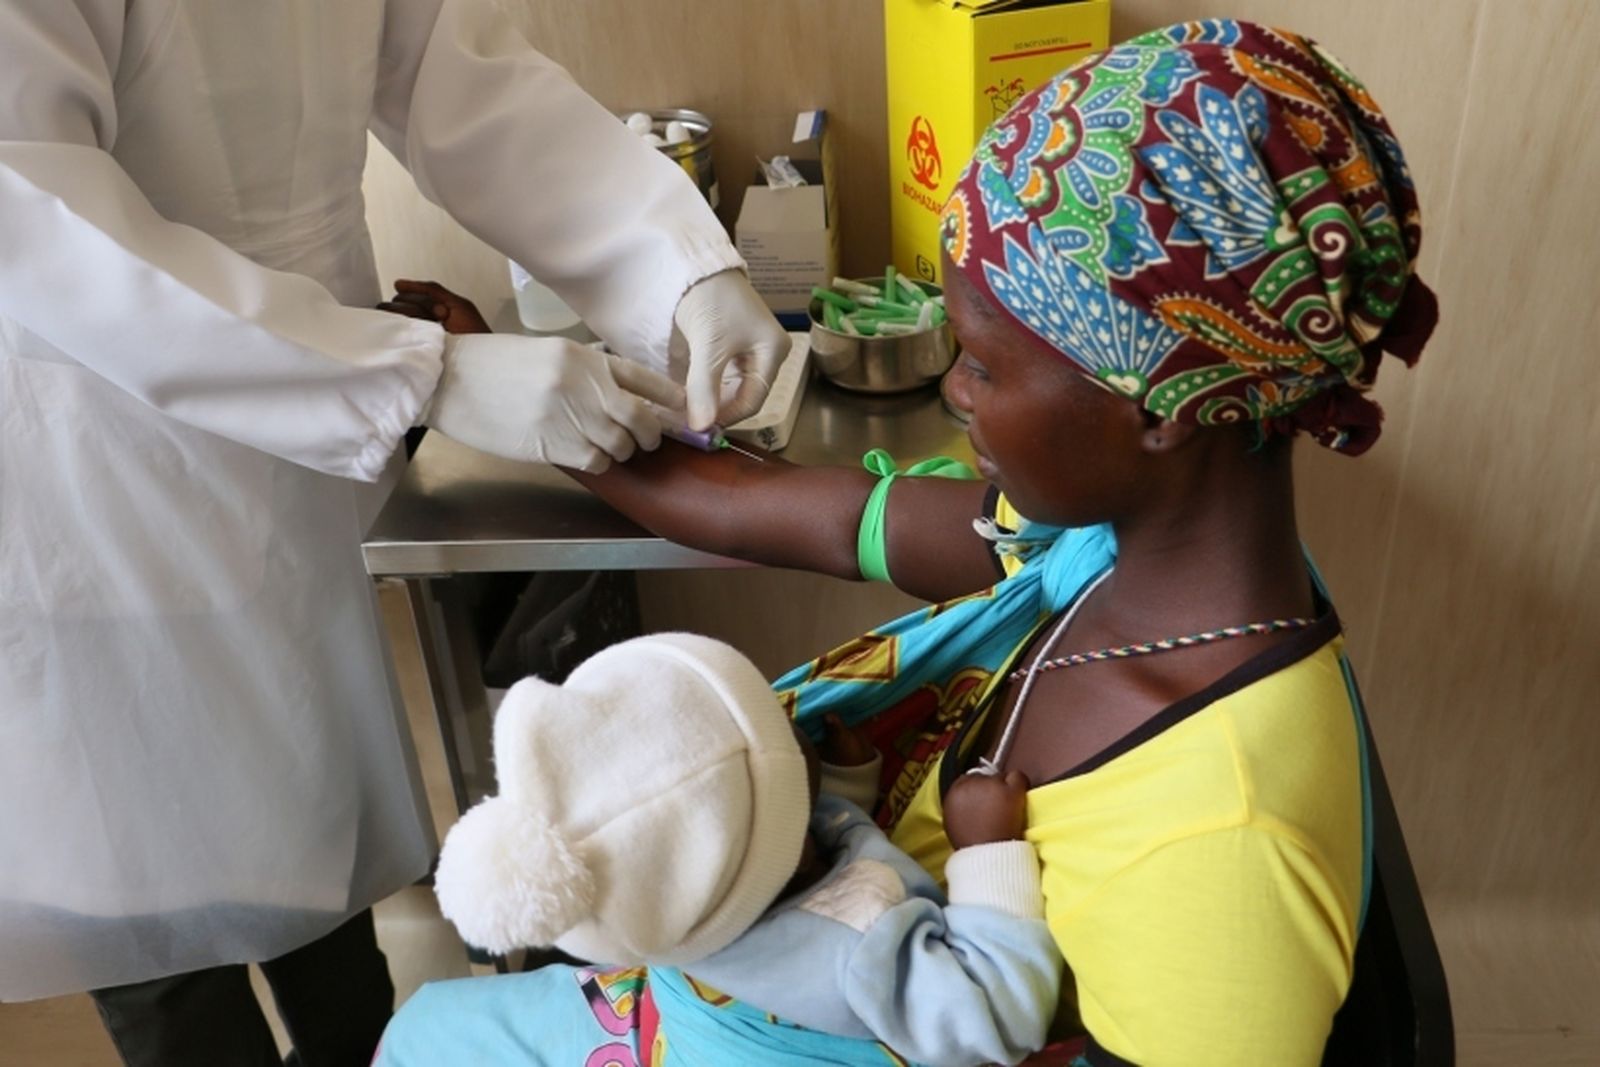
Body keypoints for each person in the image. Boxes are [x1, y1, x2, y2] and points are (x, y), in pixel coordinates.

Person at [378, 19, 1438, 1066]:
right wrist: (539, 406)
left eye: (981, 362)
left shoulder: (1223, 843)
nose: (951, 388)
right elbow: (782, 508)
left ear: (1155, 408)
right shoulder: (1089, 550)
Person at [0, 2, 786, 1064]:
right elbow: (36, 211)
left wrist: (682, 265)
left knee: (316, 845)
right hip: (91, 449)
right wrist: (420, 371)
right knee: (156, 908)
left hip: (296, 436)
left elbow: (457, 76)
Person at [378, 632, 1061, 1066]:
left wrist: (851, 784)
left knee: (426, 1029)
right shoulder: (856, 948)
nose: (793, 709)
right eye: (778, 719)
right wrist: (988, 850)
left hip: (684, 1009)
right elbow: (996, 1017)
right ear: (790, 840)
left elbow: (787, 841)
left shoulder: (683, 901)